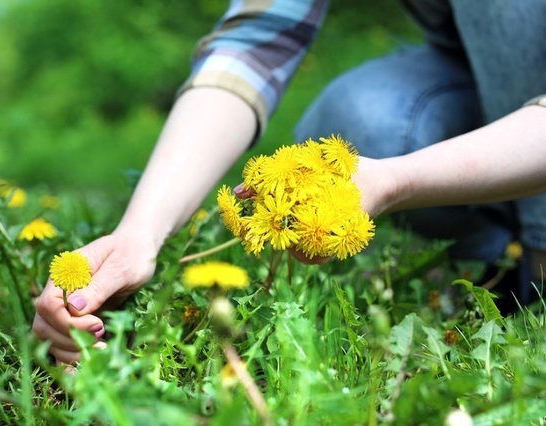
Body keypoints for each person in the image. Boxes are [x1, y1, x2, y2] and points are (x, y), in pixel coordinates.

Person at [32, 0, 546, 365]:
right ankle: (501, 261)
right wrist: (139, 233)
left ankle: (536, 261)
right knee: (362, 117)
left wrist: (395, 180)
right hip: (479, 77)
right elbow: (255, 44)